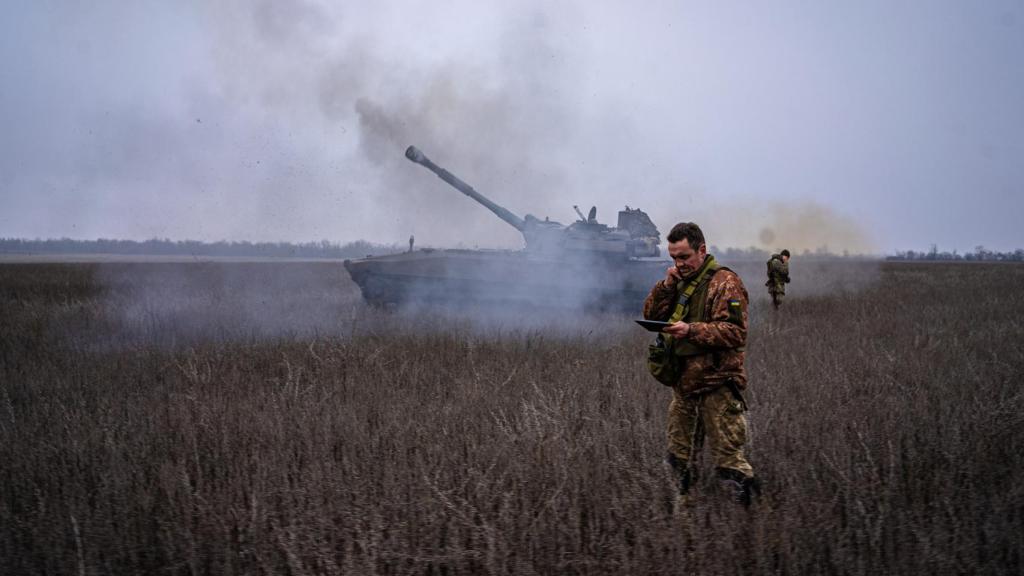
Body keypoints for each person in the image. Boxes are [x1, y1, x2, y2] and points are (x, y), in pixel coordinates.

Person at [643, 222, 758, 507]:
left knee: (730, 467)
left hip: (718, 387)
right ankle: (686, 524)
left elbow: (735, 332)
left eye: (684, 257)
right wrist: (667, 286)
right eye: (673, 258)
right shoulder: (678, 282)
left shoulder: (725, 282)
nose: (678, 264)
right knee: (679, 461)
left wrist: (691, 330)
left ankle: (754, 526)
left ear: (702, 250)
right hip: (685, 387)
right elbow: (650, 314)